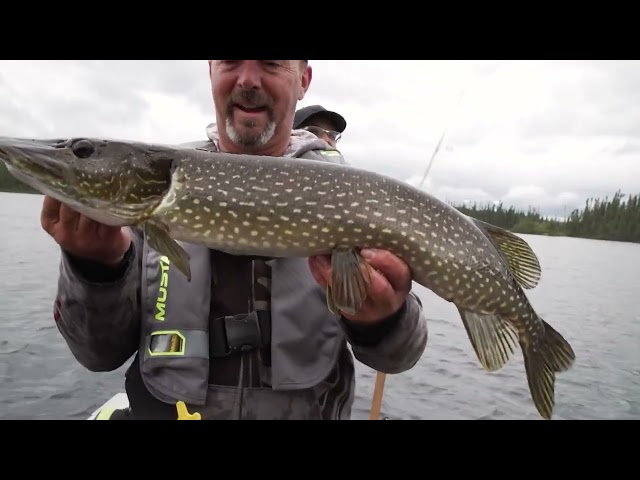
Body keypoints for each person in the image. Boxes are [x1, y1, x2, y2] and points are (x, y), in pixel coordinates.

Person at [42, 60, 428, 420]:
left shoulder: (350, 196)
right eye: (230, 60)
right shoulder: (151, 195)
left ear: (303, 80)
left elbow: (400, 355)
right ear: (211, 70)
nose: (247, 79)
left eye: (271, 62)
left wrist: (383, 320)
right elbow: (96, 354)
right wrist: (95, 271)